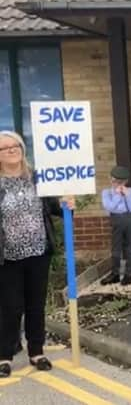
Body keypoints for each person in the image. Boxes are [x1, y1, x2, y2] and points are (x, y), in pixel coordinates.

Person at [0, 131, 74, 378]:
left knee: (36, 305)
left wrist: (67, 205)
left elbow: (55, 209)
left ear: (22, 149)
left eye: (15, 146)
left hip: (39, 253)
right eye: (5, 148)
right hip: (8, 257)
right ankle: (5, 355)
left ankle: (36, 351)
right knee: (10, 307)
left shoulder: (38, 179)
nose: (11, 150)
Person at [100, 166, 131, 286]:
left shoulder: (130, 191)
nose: (117, 184)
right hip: (116, 218)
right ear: (111, 180)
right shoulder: (106, 193)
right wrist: (117, 195)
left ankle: (129, 275)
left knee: (130, 248)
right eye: (115, 181)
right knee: (116, 248)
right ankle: (115, 274)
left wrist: (127, 195)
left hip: (129, 218)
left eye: (121, 182)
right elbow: (109, 207)